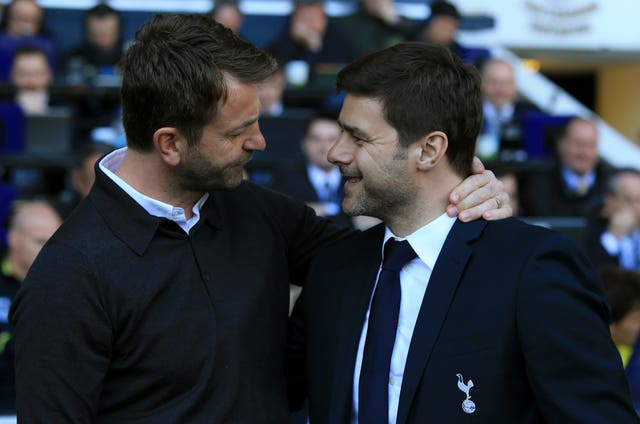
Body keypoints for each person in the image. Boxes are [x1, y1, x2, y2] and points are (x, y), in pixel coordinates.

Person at [9, 14, 509, 422]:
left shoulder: (256, 210)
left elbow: (378, 259)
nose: (260, 142)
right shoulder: (69, 276)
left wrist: (459, 193)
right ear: (170, 143)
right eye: (238, 131)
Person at [286, 42, 637, 423]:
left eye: (359, 138)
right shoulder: (334, 270)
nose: (335, 153)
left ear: (429, 149)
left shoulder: (532, 269)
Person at [0, 199, 62, 414]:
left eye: (55, 242)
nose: (49, 251)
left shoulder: (69, 289)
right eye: (40, 241)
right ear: (13, 239)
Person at [520, 116, 615, 217]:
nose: (584, 153)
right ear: (561, 144)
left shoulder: (612, 183)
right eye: (578, 144)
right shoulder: (537, 182)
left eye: (591, 145)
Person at [267, 0, 356, 88]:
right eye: (304, 18)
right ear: (293, 19)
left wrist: (315, 47)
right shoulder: (281, 43)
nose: (309, 24)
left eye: (313, 18)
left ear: (324, 19)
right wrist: (312, 48)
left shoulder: (341, 42)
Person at [476, 58, 539, 162]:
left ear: (515, 86)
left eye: (507, 83)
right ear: (482, 83)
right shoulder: (468, 114)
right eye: (494, 82)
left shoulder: (531, 115)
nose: (501, 89)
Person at [587, 168, 640, 272]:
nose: (636, 208)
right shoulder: (590, 230)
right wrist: (613, 238)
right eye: (628, 200)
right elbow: (591, 274)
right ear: (610, 201)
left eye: (639, 200)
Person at [337, 0, 417, 58]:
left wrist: (392, 21)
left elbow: (412, 46)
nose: (378, 2)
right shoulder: (346, 23)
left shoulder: (402, 23)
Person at [55, 141, 115, 219]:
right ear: (78, 180)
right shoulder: (57, 220)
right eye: (96, 181)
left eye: (111, 181)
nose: (106, 190)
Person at [64, 4, 124, 78]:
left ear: (118, 30)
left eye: (108, 32)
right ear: (86, 31)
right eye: (96, 33)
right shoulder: (74, 60)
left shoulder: (134, 58)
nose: (102, 38)